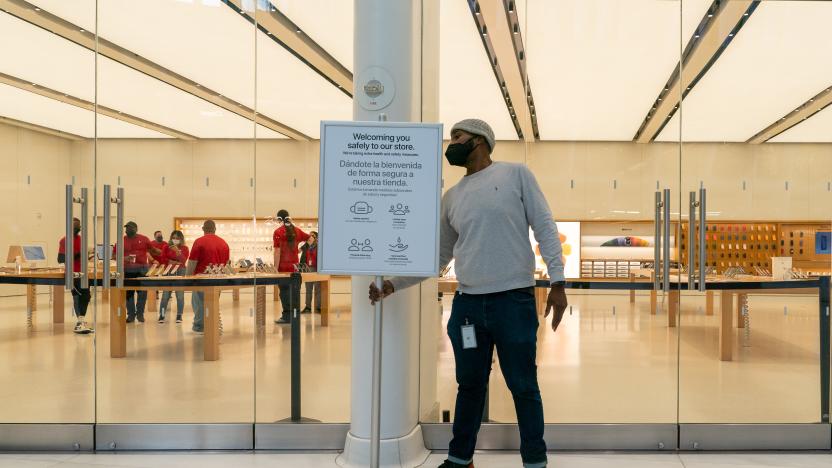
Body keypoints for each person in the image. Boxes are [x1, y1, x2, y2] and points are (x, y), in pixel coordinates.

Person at [369, 119, 568, 468]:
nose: (452, 144)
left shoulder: (515, 175)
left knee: (523, 386)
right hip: (469, 308)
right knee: (470, 385)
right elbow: (438, 256)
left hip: (514, 301)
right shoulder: (452, 197)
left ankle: (535, 461)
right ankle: (460, 459)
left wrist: (558, 281)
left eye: (457, 137)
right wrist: (392, 283)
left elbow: (545, 226)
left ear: (479, 141)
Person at [186, 220, 229, 334]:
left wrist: (187, 278)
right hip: (218, 278)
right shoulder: (223, 243)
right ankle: (212, 324)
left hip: (201, 278)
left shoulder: (199, 242)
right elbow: (226, 262)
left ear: (203, 229)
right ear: (215, 229)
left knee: (200, 303)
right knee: (213, 302)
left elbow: (192, 261)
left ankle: (199, 326)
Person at [273, 210, 309, 324]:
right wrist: (300, 250)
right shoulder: (297, 230)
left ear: (279, 219)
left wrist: (275, 268)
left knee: (284, 293)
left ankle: (287, 316)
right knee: (295, 292)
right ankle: (295, 316)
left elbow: (277, 252)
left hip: (283, 268)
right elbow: (311, 239)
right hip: (295, 267)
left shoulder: (278, 232)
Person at [121, 221, 161, 323]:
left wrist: (160, 251)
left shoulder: (144, 239)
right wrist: (125, 258)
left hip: (142, 269)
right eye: (126, 228)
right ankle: (130, 315)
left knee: (142, 293)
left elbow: (153, 250)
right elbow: (114, 256)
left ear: (136, 229)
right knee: (129, 293)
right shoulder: (121, 240)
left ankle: (140, 314)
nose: (127, 230)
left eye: (130, 228)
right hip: (127, 270)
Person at [57, 217, 92, 334]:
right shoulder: (64, 240)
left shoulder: (82, 240)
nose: (78, 227)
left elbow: (84, 257)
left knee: (86, 296)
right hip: (73, 274)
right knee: (77, 296)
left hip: (84, 273)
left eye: (78, 225)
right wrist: (76, 255)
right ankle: (79, 322)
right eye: (75, 225)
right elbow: (60, 259)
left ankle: (81, 319)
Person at [158, 230, 189, 324]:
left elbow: (183, 260)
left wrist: (177, 252)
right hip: (168, 271)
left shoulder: (185, 248)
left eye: (177, 238)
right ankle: (162, 315)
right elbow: (163, 258)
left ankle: (179, 315)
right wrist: (172, 262)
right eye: (174, 237)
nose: (175, 239)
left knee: (180, 295)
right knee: (165, 295)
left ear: (181, 239)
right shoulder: (166, 247)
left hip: (180, 271)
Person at [300, 231, 321, 314]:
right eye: (309, 235)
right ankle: (308, 307)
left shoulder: (319, 246)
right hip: (308, 269)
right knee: (308, 289)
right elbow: (299, 252)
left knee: (318, 289)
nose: (310, 237)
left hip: (316, 269)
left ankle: (318, 307)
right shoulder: (306, 246)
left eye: (312, 235)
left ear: (316, 238)